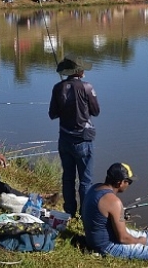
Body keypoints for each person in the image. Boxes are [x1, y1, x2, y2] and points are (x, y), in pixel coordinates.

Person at [49, 54, 100, 217]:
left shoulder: (58, 88)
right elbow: (96, 111)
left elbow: (52, 114)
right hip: (83, 139)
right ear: (79, 71)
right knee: (85, 181)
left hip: (65, 139)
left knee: (68, 177)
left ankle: (69, 211)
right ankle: (85, 213)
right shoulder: (87, 87)